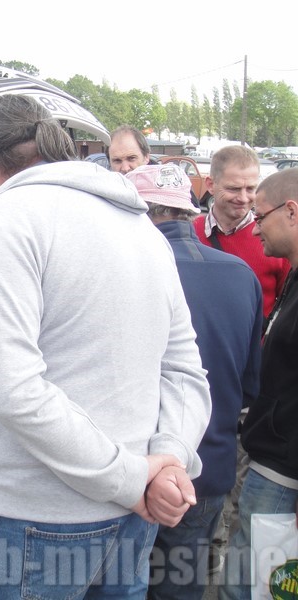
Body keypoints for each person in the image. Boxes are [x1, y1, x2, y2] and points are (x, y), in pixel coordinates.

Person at [0, 94, 211, 599]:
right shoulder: (140, 226)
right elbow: (185, 370)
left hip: (30, 520)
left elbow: (13, 387)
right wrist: (167, 459)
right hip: (131, 513)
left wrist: (139, 475)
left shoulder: (8, 215)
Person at [126, 164, 263, 600]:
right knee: (180, 584)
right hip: (207, 466)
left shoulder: (128, 270)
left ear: (142, 213)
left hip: (134, 469)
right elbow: (248, 383)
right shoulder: (240, 274)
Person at [219, 168, 298, 600]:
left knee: (265, 585)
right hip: (268, 458)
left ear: (291, 212)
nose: (254, 225)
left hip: (284, 473)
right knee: (247, 572)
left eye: (260, 213)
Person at [195, 145, 291, 318]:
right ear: (210, 184)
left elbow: (288, 309)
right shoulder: (189, 233)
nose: (244, 198)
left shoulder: (275, 240)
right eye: (233, 189)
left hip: (255, 345)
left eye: (251, 189)